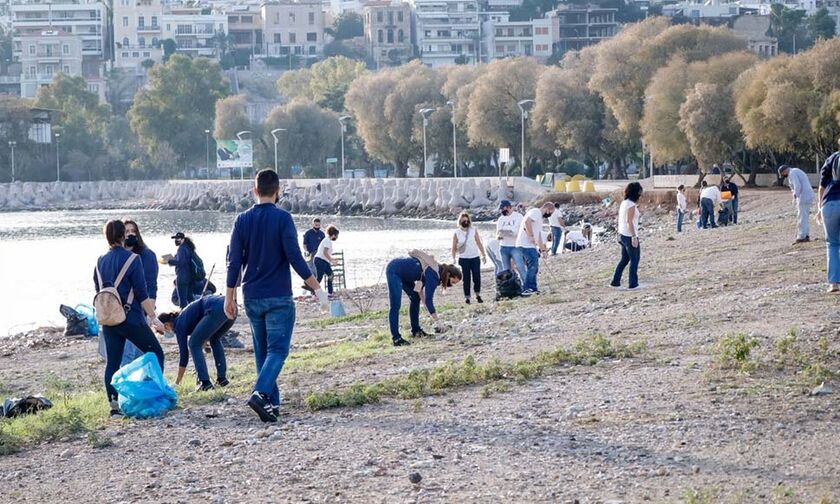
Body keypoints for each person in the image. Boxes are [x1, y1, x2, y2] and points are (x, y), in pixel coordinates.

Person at [226, 169, 329, 423]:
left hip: (252, 295)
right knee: (278, 351)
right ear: (278, 191)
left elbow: (233, 262)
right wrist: (317, 288)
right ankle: (260, 394)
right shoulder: (283, 218)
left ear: (255, 190)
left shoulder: (241, 220)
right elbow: (295, 257)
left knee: (263, 352)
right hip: (278, 295)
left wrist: (230, 296)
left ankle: (272, 405)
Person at [94, 220, 165, 417]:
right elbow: (142, 293)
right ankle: (154, 395)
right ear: (122, 236)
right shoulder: (133, 259)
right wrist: (153, 318)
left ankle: (114, 408)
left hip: (109, 321)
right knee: (156, 353)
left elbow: (98, 292)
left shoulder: (100, 261)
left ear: (107, 236)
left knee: (113, 363)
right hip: (132, 319)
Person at [158, 294, 234, 392]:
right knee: (215, 339)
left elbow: (184, 355)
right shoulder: (184, 317)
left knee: (193, 344)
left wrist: (178, 382)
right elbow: (204, 331)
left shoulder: (179, 325)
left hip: (216, 307)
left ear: (167, 325)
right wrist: (204, 342)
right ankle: (222, 379)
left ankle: (205, 383)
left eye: (163, 332)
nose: (165, 334)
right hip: (229, 304)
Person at [385, 250, 461, 346]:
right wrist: (438, 322)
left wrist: (425, 305)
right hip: (394, 270)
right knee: (395, 304)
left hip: (405, 274)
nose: (450, 285)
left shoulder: (437, 270)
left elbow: (420, 290)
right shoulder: (434, 274)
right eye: (452, 282)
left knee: (415, 298)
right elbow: (429, 300)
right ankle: (396, 338)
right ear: (449, 275)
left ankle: (416, 331)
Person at [121, 219, 159, 366]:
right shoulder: (119, 255)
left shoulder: (146, 255)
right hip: (120, 310)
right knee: (129, 352)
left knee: (135, 352)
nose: (130, 234)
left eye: (133, 231)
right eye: (126, 232)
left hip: (140, 309)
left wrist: (151, 314)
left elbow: (151, 285)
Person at [515, 202, 555, 296]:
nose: (549, 215)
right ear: (547, 209)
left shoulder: (539, 217)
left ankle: (532, 288)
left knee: (533, 267)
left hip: (529, 245)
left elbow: (539, 235)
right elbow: (526, 222)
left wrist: (543, 250)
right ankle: (528, 288)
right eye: (550, 212)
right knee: (532, 266)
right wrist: (531, 236)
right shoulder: (536, 212)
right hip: (525, 244)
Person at [610, 182, 643, 290]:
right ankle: (633, 284)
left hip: (622, 234)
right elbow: (629, 221)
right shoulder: (631, 205)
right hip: (629, 235)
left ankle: (615, 281)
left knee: (624, 259)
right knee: (635, 259)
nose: (641, 195)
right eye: (639, 192)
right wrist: (634, 237)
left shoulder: (624, 203)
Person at [451, 212, 487, 304]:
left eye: (467, 220)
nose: (466, 222)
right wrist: (453, 258)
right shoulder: (457, 232)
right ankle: (467, 297)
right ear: (460, 221)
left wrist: (483, 255)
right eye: (463, 221)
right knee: (466, 278)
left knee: (477, 277)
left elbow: (479, 243)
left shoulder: (473, 230)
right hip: (464, 258)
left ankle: (478, 294)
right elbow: (454, 246)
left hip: (475, 257)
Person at [817, 151, 840, 292]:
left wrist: (819, 208)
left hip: (829, 203)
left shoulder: (832, 158)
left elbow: (821, 185)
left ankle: (834, 283)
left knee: (832, 244)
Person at [778, 165, 815, 244]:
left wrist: (795, 196)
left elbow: (797, 186)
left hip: (803, 197)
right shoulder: (796, 170)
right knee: (804, 216)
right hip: (807, 196)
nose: (784, 175)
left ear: (784, 171)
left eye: (783, 174)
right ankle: (806, 234)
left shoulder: (792, 173)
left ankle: (802, 236)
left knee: (801, 216)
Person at [167, 232, 195, 308]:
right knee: (190, 298)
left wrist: (169, 261)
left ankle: (184, 316)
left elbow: (180, 262)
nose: (176, 240)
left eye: (178, 238)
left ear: (183, 239)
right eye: (175, 239)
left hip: (182, 277)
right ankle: (194, 313)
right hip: (190, 276)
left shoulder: (181, 249)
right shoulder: (188, 247)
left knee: (182, 300)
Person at [495, 200, 523, 278]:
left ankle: (526, 285)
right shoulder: (501, 219)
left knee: (520, 267)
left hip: (515, 246)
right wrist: (501, 235)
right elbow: (498, 233)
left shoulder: (518, 217)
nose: (501, 211)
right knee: (506, 270)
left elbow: (517, 232)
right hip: (503, 246)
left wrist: (506, 233)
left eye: (503, 209)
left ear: (508, 207)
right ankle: (511, 287)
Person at [314, 225, 339, 295]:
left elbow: (326, 254)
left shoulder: (328, 241)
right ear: (333, 235)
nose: (337, 237)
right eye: (337, 235)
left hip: (324, 261)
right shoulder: (327, 241)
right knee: (319, 277)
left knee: (331, 275)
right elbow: (325, 253)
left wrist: (332, 259)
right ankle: (313, 292)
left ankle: (330, 292)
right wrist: (332, 260)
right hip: (320, 260)